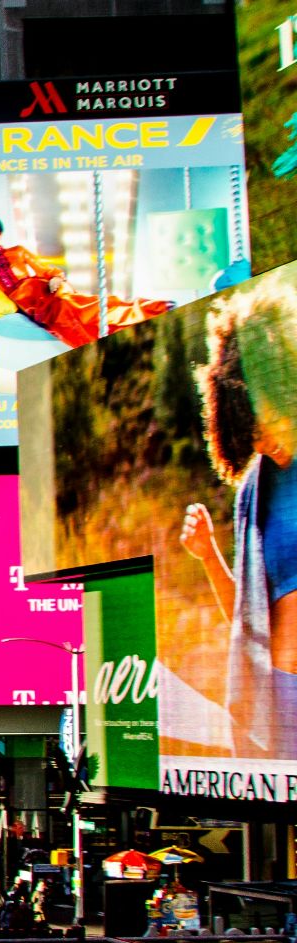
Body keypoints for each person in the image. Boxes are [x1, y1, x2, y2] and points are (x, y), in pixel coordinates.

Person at [182, 282, 297, 758]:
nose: (262, 439)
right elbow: (247, 626)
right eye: (249, 430)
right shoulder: (256, 489)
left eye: (265, 419)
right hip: (281, 709)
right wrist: (208, 556)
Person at [0, 214, 169, 349]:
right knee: (74, 317)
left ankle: (150, 309)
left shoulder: (18, 251)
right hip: (30, 305)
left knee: (84, 308)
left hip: (46, 291)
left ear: (0, 234)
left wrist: (56, 279)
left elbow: (48, 269)